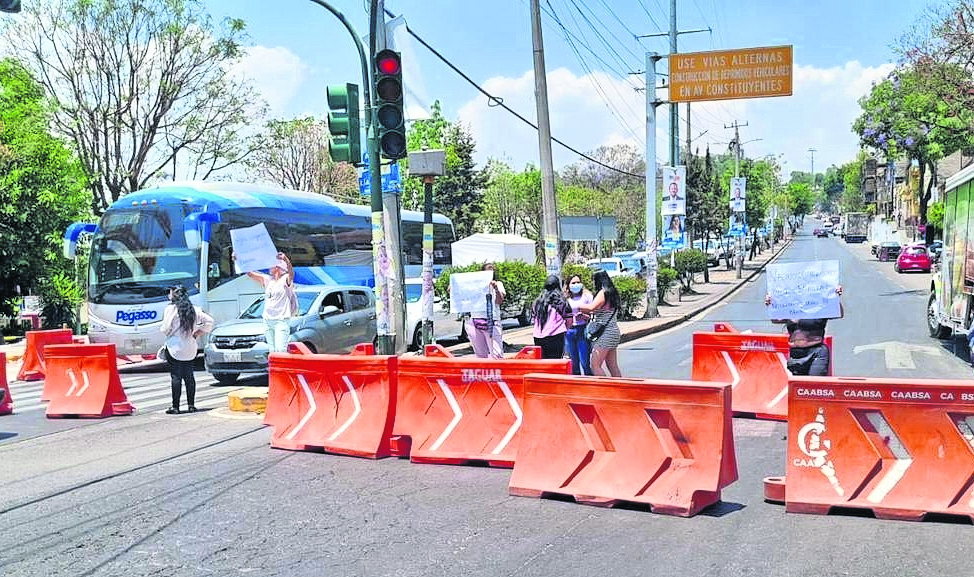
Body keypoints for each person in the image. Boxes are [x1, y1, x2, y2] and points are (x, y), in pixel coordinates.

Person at [765, 286, 844, 376]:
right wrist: (771, 304)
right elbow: (775, 319)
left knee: (813, 385)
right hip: (796, 355)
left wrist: (835, 297)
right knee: (799, 388)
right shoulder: (790, 307)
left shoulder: (819, 306)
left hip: (816, 353)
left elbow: (838, 313)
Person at [161, 285, 214, 414]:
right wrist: (197, 333)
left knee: (176, 376)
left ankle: (176, 407)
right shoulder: (194, 310)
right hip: (190, 347)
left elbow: (165, 328)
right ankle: (191, 405)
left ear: (174, 295)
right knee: (189, 377)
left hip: (174, 347)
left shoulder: (170, 309)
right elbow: (210, 322)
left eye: (170, 293)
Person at [244, 252, 298, 353]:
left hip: (281, 320)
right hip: (268, 321)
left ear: (278, 267)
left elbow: (291, 273)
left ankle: (283, 368)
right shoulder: (268, 280)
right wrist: (239, 260)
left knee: (280, 349)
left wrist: (285, 259)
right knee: (272, 350)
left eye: (271, 264)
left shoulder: (285, 279)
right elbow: (250, 274)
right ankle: (274, 369)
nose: (269, 267)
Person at [578, 270, 622, 377]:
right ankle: (621, 389)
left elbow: (591, 308)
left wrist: (576, 306)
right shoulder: (612, 292)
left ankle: (607, 390)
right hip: (613, 332)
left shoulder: (603, 292)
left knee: (595, 365)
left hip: (605, 334)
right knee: (612, 365)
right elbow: (602, 313)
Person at [466, 262, 505, 359]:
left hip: (492, 321)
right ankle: (483, 373)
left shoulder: (498, 284)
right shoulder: (475, 285)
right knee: (480, 355)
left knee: (497, 354)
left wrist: (495, 288)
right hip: (475, 321)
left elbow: (499, 301)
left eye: (491, 272)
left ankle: (498, 372)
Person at [531, 275, 571, 359]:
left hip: (538, 337)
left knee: (543, 363)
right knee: (555, 362)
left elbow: (534, 319)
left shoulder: (537, 302)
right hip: (555, 335)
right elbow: (569, 320)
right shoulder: (561, 301)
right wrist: (564, 329)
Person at [564, 275, 594, 375]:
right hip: (570, 331)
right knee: (573, 363)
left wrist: (585, 316)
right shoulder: (565, 299)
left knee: (584, 361)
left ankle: (590, 383)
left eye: (578, 282)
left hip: (583, 330)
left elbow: (593, 314)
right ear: (568, 285)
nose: (576, 285)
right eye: (573, 283)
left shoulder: (587, 297)